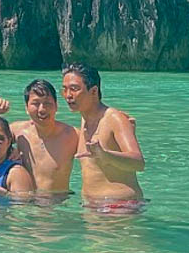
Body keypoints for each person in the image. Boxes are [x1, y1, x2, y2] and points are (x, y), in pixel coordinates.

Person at [61, 63, 145, 210]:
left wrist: (105, 155)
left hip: (120, 206)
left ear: (94, 91)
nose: (68, 95)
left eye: (74, 89)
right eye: (65, 89)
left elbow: (138, 162)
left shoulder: (114, 118)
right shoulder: (85, 119)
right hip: (92, 206)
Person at [8, 79, 78, 194]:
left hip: (57, 202)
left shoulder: (73, 135)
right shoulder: (17, 131)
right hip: (24, 201)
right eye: (36, 104)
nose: (42, 109)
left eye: (47, 103)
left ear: (56, 106)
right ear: (26, 108)